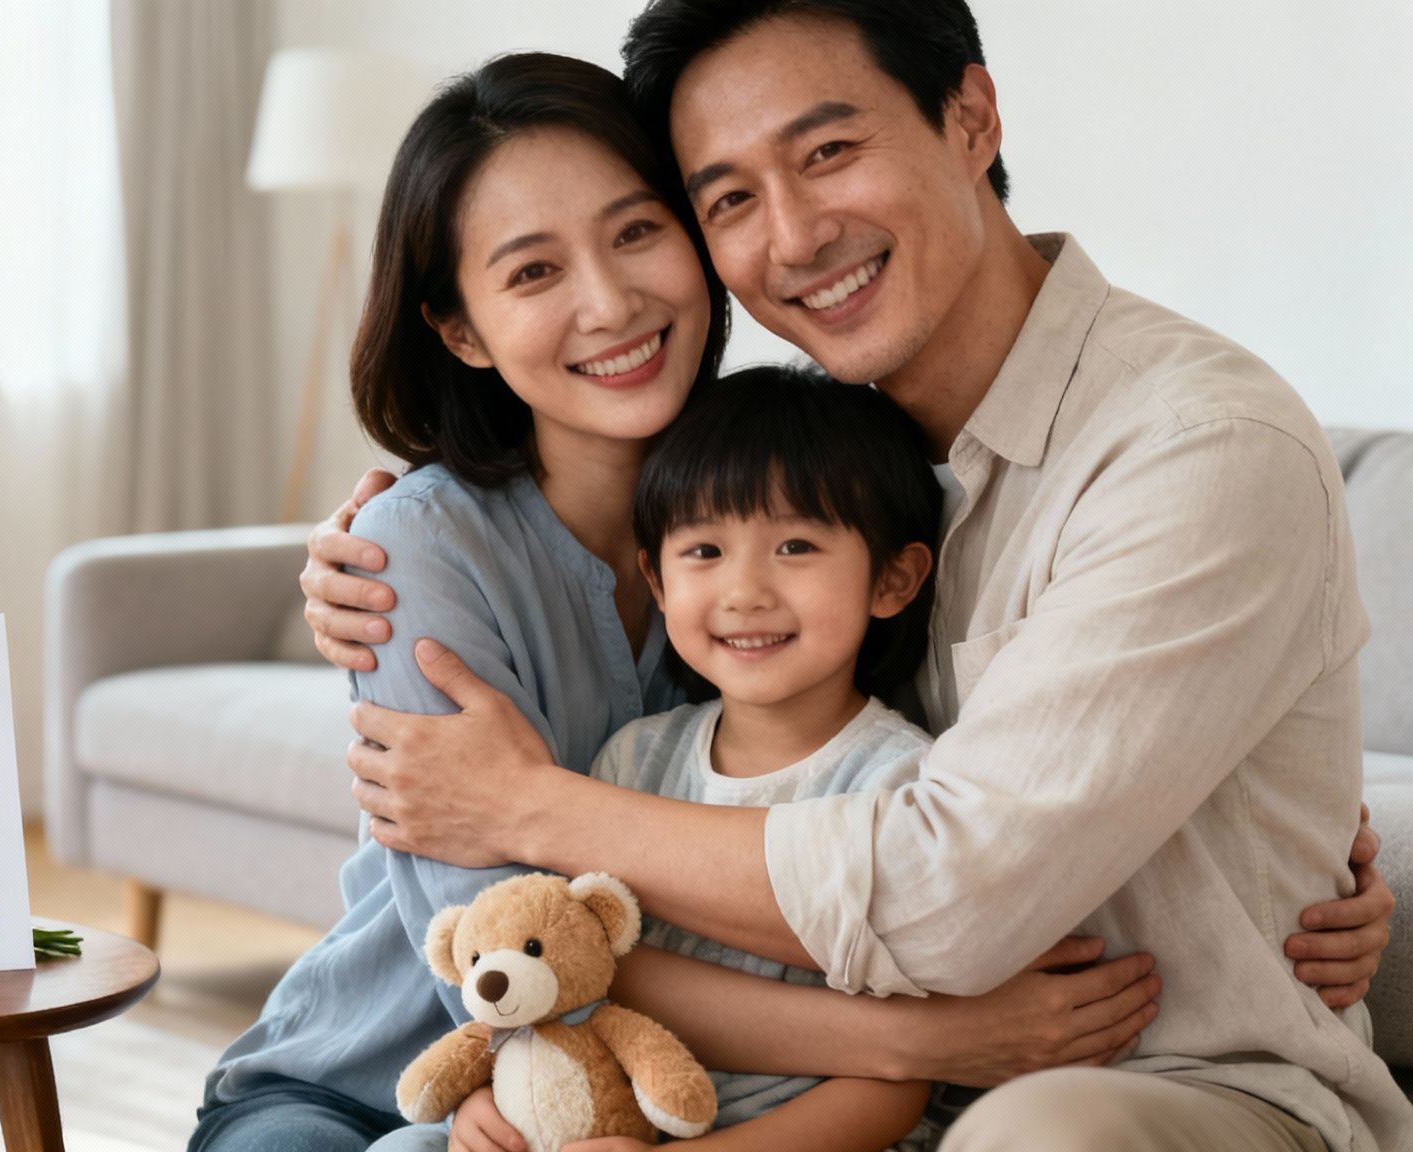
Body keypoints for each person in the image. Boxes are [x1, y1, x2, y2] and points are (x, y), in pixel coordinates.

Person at [308, 3, 1407, 1149]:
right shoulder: (831, 475)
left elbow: (953, 895)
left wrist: (532, 806)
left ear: (970, 118)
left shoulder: (1192, 447)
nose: (789, 238)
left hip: (1165, 1083)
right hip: (816, 1088)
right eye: (728, 197)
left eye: (827, 151)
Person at [190, 52, 1169, 1152]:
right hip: (374, 1080)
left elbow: (973, 798)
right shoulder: (412, 556)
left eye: (635, 232)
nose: (608, 304)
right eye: (530, 274)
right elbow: (520, 957)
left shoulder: (828, 493)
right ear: (459, 331)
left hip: (685, 1113)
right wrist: (923, 1042)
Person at [578, 365, 950, 1152]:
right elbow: (571, 977)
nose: (744, 591)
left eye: (795, 544)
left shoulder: (901, 786)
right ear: (655, 575)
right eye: (705, 549)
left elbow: (896, 1080)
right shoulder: (634, 761)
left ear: (893, 577)